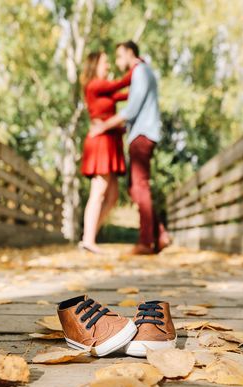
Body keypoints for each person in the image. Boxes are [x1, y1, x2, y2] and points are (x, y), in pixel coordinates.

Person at [90, 41, 170, 255]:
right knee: (134, 186)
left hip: (142, 135)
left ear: (130, 53)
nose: (117, 62)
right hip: (141, 133)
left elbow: (131, 110)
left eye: (118, 57)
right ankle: (160, 235)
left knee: (140, 185)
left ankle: (146, 242)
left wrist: (103, 126)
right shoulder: (142, 72)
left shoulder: (140, 71)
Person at [79, 51, 132, 254]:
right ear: (95, 65)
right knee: (99, 190)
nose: (108, 66)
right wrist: (136, 66)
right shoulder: (95, 84)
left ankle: (89, 237)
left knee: (112, 195)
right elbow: (120, 85)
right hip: (100, 142)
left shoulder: (105, 90)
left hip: (110, 141)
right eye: (106, 62)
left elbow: (125, 95)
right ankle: (88, 239)